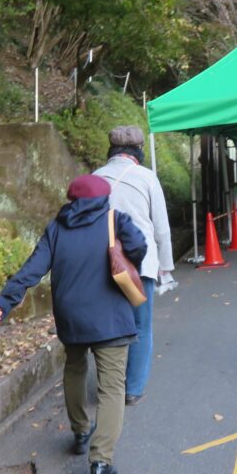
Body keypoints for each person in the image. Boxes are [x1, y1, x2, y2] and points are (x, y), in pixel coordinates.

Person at [0, 174, 147, 474]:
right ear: (103, 198)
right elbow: (139, 247)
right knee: (111, 387)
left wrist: (4, 302)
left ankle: (80, 432)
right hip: (110, 317)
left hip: (71, 317)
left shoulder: (57, 228)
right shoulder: (115, 220)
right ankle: (100, 462)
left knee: (74, 369)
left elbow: (33, 269)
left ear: (72, 200)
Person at [93, 125, 174, 406]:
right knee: (140, 326)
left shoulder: (95, 177)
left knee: (107, 327)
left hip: (102, 265)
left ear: (112, 150)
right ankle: (133, 389)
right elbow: (161, 228)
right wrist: (165, 267)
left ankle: (110, 386)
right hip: (140, 267)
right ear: (138, 151)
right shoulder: (147, 177)